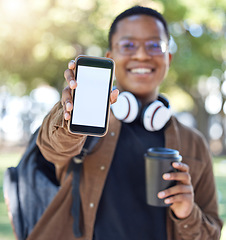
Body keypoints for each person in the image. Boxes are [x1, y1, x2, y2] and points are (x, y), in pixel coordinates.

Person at [27, 5, 222, 240]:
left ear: (168, 58)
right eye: (128, 45)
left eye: (153, 45)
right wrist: (68, 113)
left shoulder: (194, 143)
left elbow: (211, 234)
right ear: (110, 58)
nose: (141, 55)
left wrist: (187, 214)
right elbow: (52, 149)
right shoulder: (84, 118)